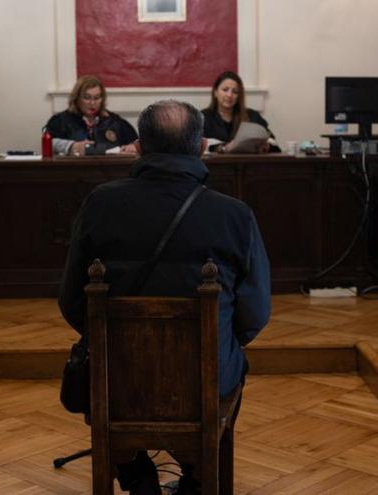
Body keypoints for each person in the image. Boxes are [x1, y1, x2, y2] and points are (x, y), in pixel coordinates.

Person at [58, 100, 271, 493]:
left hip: (116, 378)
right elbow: (255, 313)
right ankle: (195, 476)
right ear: (202, 145)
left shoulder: (100, 205)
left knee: (99, 376)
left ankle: (137, 476)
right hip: (204, 378)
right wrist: (218, 343)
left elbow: (72, 302)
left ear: (138, 147)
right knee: (234, 365)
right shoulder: (235, 216)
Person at [45, 75, 138, 156]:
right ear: (77, 98)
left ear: (102, 99)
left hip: (110, 172)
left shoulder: (115, 121)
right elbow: (48, 144)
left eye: (97, 98)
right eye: (87, 98)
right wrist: (71, 146)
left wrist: (132, 147)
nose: (92, 103)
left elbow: (137, 143)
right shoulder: (60, 120)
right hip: (72, 172)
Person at [202, 70, 279, 153]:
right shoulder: (202, 117)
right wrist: (222, 148)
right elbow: (195, 146)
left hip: (249, 164)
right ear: (215, 93)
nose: (229, 95)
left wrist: (267, 146)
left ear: (239, 96)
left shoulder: (252, 116)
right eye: (225, 90)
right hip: (216, 165)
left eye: (235, 92)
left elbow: (274, 143)